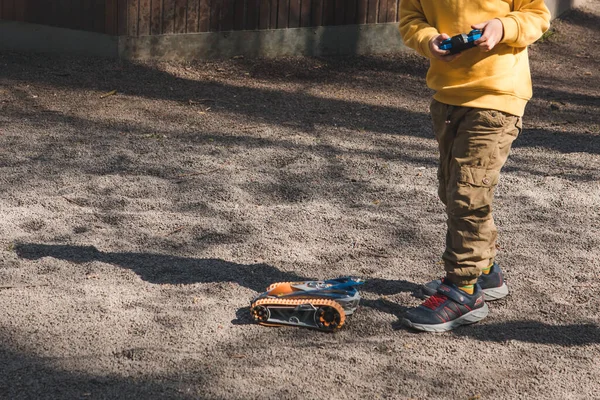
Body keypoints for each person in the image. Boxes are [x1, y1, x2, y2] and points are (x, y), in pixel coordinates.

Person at [398, 0, 551, 332]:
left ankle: (463, 290)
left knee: (467, 195)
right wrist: (428, 40)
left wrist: (502, 26)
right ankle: (486, 270)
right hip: (448, 99)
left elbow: (537, 15)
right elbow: (410, 19)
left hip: (496, 99)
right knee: (452, 190)